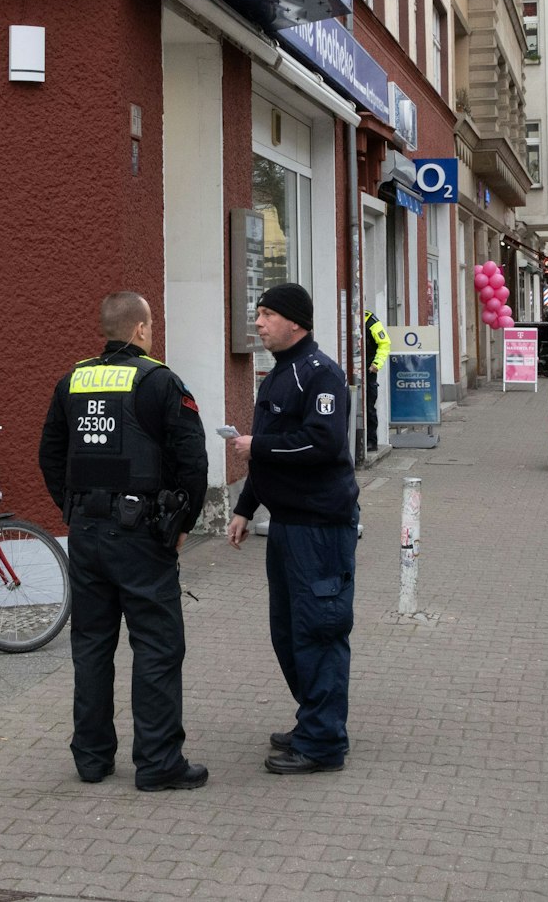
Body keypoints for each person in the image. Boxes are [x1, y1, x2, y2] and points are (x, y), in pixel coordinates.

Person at [38, 290, 210, 792]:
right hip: (141, 538)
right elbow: (193, 463)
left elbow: (51, 455)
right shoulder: (159, 381)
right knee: (157, 646)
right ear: (138, 329)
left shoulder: (72, 380)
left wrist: (73, 510)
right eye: (150, 325)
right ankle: (157, 763)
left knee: (91, 645)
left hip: (86, 536)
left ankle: (91, 760)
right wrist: (180, 526)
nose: (152, 332)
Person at [227, 282, 359, 776]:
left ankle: (324, 743)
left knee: (319, 631)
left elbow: (321, 445)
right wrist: (245, 507)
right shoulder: (280, 375)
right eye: (257, 313)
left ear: (296, 322)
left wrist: (255, 447)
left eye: (266, 314)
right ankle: (315, 720)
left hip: (319, 530)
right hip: (286, 526)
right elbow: (275, 452)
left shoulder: (321, 374)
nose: (258, 323)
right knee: (288, 633)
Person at [362, 308, 390, 452]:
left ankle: (371, 441)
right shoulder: (345, 315)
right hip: (351, 369)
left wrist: (376, 364)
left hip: (368, 370)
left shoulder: (370, 320)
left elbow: (384, 343)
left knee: (368, 407)